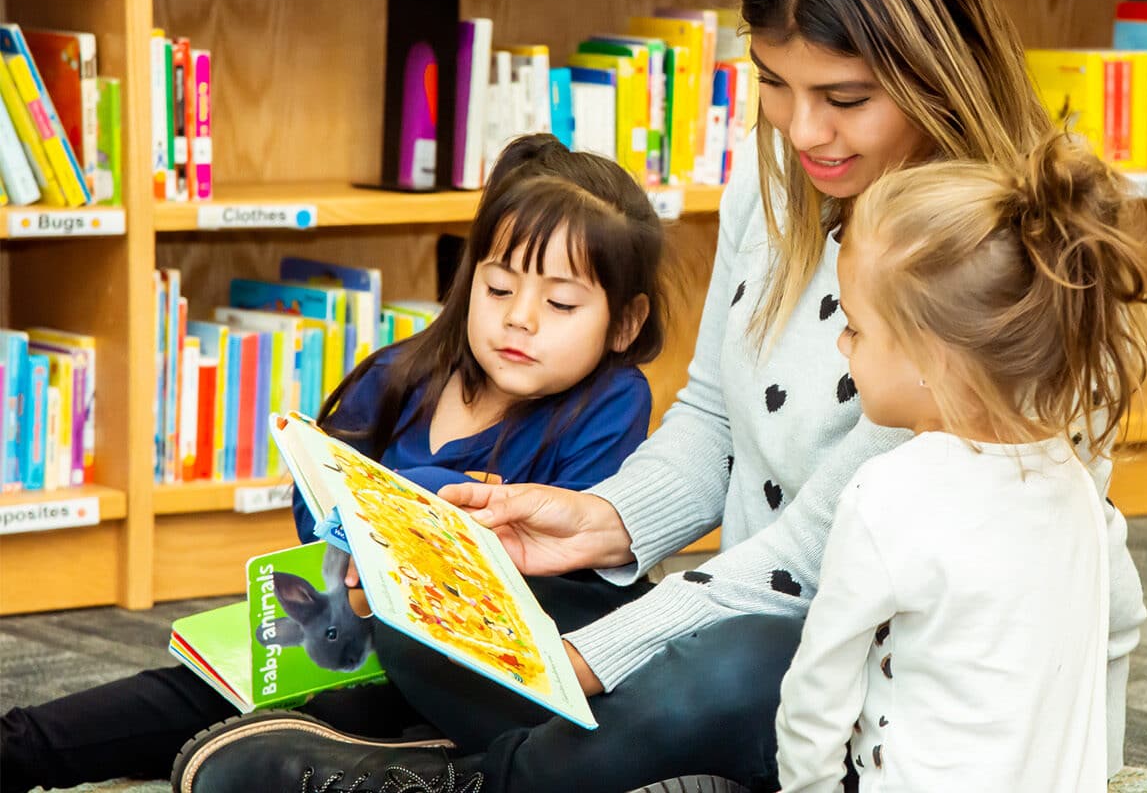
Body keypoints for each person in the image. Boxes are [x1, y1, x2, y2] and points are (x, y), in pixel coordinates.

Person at [170, 0, 1147, 793]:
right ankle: (570, 752)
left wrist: (602, 653)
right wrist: (597, 518)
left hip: (872, 673)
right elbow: (714, 415)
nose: (803, 132)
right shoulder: (774, 189)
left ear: (937, 69)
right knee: (429, 606)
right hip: (738, 596)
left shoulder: (1000, 260)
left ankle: (479, 776)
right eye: (773, 83)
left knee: (722, 669)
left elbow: (822, 557)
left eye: (844, 99)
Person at [0, 134, 668, 793]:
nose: (519, 320)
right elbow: (315, 495)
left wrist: (401, 499)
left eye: (559, 304)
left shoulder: (610, 403)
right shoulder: (405, 371)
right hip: (338, 628)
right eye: (498, 289)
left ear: (624, 323)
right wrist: (367, 518)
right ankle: (22, 748)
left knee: (296, 725)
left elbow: (560, 573)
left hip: (462, 678)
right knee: (182, 694)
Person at [776, 133, 1147, 792]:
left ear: (933, 359)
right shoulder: (1071, 480)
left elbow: (818, 692)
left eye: (856, 327)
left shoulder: (887, 493)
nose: (842, 343)